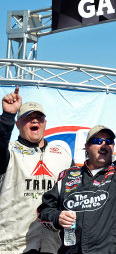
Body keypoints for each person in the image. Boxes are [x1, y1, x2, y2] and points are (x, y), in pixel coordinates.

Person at [37, 94, 116, 254]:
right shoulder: (68, 176)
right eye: (97, 141)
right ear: (87, 146)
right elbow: (44, 210)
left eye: (109, 141)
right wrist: (57, 217)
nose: (103, 145)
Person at [0, 87, 73, 254]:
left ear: (45, 123)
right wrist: (8, 116)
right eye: (28, 118)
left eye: (39, 118)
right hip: (13, 245)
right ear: (18, 124)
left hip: (51, 245)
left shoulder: (62, 155)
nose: (35, 121)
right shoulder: (9, 152)